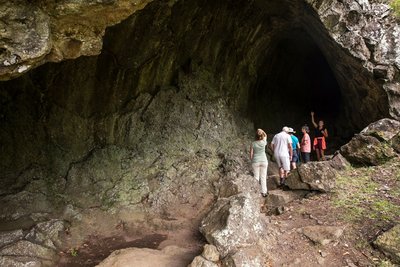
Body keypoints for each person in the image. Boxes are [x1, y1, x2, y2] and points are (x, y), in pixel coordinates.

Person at [249, 128, 268, 197]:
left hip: (255, 161)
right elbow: (265, 135)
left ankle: (255, 192)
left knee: (256, 177)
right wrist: (262, 131)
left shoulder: (253, 143)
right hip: (264, 161)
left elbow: (251, 154)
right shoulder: (264, 142)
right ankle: (264, 192)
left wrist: (252, 160)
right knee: (263, 177)